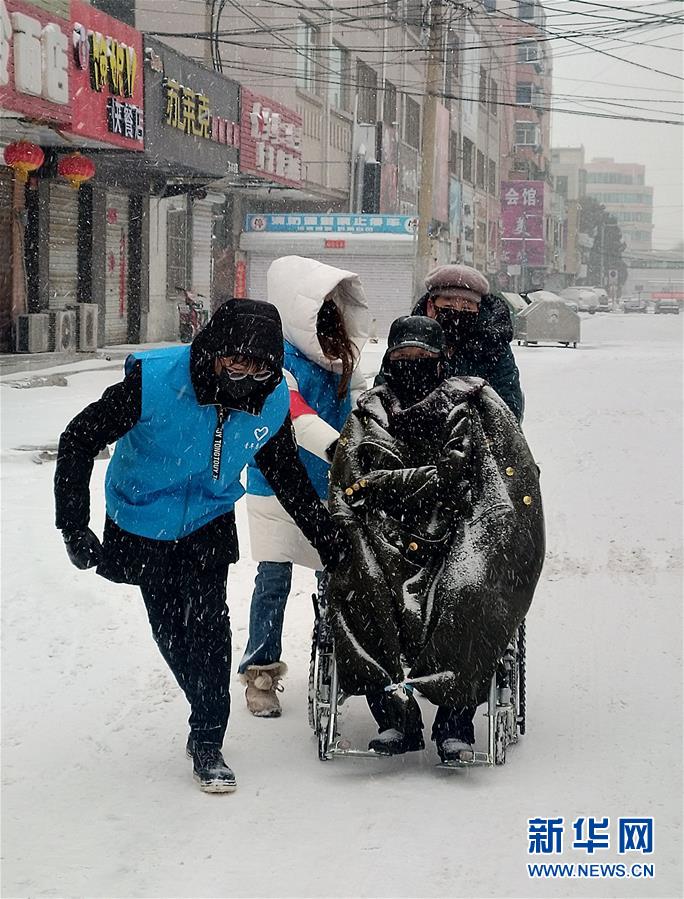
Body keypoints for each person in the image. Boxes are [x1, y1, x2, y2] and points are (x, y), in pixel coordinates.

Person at [54, 298, 349, 793]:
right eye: (235, 361)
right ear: (212, 349)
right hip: (143, 518)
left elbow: (288, 477)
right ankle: (203, 704)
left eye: (258, 367)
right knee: (172, 631)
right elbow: (79, 438)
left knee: (211, 627)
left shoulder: (270, 400)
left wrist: (327, 537)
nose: (244, 375)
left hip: (208, 521)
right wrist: (74, 526)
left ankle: (208, 738)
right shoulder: (152, 383)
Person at [327, 315, 545, 763]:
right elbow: (348, 483)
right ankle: (394, 716)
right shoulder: (369, 412)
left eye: (423, 357)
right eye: (403, 356)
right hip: (383, 530)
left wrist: (389, 484)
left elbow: (484, 478)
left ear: (441, 360)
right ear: (389, 360)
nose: (413, 364)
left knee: (468, 590)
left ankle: (454, 719)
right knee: (361, 585)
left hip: (458, 527)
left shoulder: (474, 403)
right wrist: (361, 511)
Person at [240, 256, 369, 717]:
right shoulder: (277, 363)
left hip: (330, 489)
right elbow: (296, 416)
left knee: (333, 578)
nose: (331, 314)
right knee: (272, 580)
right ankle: (260, 674)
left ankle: (339, 660)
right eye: (321, 306)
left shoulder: (340, 361)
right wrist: (343, 451)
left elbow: (355, 412)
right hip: (274, 488)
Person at [412, 263, 524, 422]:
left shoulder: (493, 345)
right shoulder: (410, 339)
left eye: (466, 308)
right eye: (449, 306)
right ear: (431, 307)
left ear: (478, 310)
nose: (457, 314)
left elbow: (508, 405)